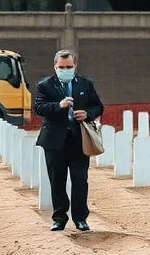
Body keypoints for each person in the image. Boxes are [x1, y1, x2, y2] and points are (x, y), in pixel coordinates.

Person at [34, 49, 103, 232]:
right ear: (55, 67)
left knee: (80, 180)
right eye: (62, 67)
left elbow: (98, 106)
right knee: (57, 180)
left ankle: (80, 218)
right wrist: (59, 105)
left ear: (75, 66)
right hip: (54, 140)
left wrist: (87, 114)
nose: (66, 70)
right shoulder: (45, 85)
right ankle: (59, 218)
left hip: (79, 139)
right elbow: (39, 107)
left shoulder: (85, 84)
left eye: (69, 67)